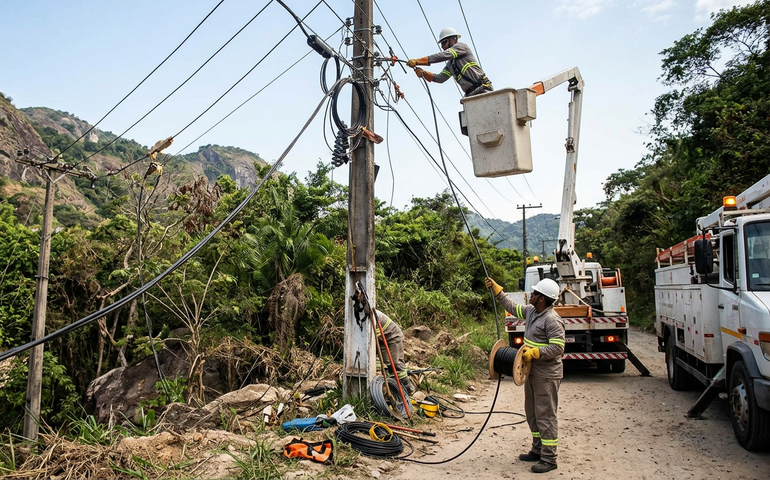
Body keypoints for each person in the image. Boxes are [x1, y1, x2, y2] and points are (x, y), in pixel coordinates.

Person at [485, 276, 565, 474]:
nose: (532, 294)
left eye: (535, 292)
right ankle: (537, 450)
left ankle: (549, 458)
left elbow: (558, 348)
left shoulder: (552, 320)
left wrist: (537, 353)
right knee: (532, 412)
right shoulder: (531, 312)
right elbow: (512, 308)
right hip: (531, 372)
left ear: (542, 298)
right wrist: (498, 292)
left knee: (546, 415)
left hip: (547, 375)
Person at [406, 27, 493, 97]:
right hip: (470, 95)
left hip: (483, 89)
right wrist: (424, 73)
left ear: (453, 40)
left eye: (444, 43)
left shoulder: (461, 47)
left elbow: (442, 56)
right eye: (441, 44)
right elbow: (440, 78)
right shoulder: (451, 64)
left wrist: (417, 61)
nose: (443, 47)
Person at [371, 310, 416, 395]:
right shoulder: (361, 317)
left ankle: (409, 389)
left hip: (393, 337)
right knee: (388, 366)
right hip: (382, 340)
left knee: (396, 364)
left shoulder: (372, 315)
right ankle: (395, 390)